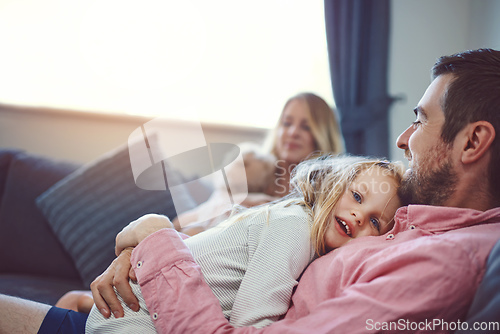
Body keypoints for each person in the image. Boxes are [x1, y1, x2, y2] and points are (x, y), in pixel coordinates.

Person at [0, 48, 498, 333]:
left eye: (420, 120)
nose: (403, 138)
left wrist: (156, 237)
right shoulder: (412, 209)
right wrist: (150, 247)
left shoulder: (441, 259)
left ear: (472, 141)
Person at [84, 155, 403, 333]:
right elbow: (250, 322)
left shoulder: (294, 220)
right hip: (133, 320)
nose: (359, 215)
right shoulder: (296, 228)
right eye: (357, 196)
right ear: (335, 184)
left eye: (375, 222)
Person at [173, 92, 344, 235]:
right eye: (287, 123)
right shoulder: (251, 168)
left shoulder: (327, 191)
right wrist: (243, 201)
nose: (293, 132)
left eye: (306, 127)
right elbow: (187, 221)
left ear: (322, 135)